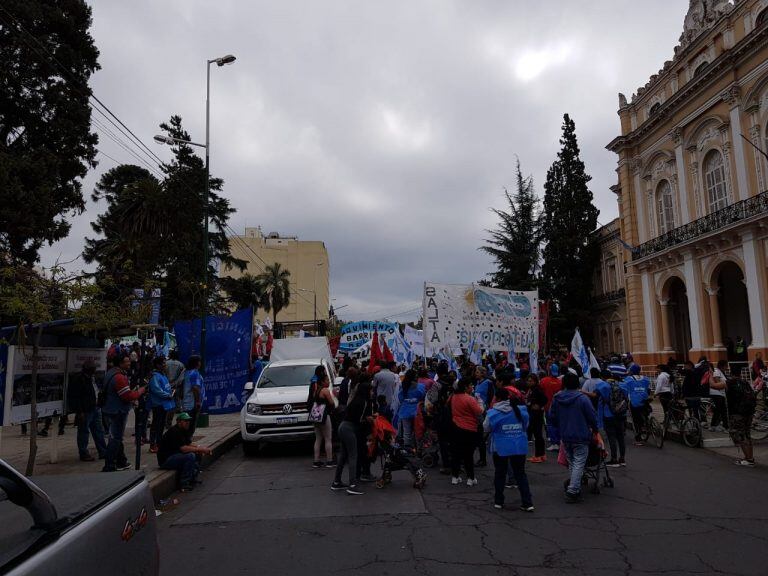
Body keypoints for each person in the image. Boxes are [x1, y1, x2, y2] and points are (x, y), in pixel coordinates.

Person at [550, 370, 598, 503]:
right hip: (581, 435)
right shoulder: (582, 398)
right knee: (578, 463)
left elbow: (552, 417)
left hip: (565, 435)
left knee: (572, 462)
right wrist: (595, 429)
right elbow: (592, 417)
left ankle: (574, 487)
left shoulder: (557, 398)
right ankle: (572, 491)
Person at [484, 387, 533, 511]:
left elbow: (486, 428)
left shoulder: (492, 413)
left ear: (497, 398)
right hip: (518, 445)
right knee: (520, 474)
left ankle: (498, 501)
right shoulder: (520, 410)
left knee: (500, 474)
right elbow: (526, 425)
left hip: (500, 447)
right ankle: (527, 503)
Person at [102, 355, 146, 472]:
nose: (129, 364)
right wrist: (140, 391)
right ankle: (109, 465)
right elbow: (128, 396)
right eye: (126, 362)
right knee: (115, 438)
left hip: (110, 409)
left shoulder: (110, 373)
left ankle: (121, 461)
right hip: (118, 411)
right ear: (120, 363)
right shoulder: (119, 377)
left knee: (116, 436)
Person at [331, 381, 373, 494]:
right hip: (349, 429)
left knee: (343, 456)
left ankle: (336, 481)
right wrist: (369, 419)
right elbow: (359, 420)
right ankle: (353, 484)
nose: (372, 392)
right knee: (353, 456)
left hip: (343, 427)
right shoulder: (363, 402)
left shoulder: (355, 399)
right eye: (371, 390)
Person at [157, 412, 212, 491]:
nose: (188, 423)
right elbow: (184, 448)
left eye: (188, 421)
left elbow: (189, 443)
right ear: (179, 422)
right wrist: (201, 449)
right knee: (190, 456)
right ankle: (184, 483)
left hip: (176, 455)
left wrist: (201, 448)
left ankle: (193, 478)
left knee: (197, 453)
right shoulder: (174, 431)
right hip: (166, 459)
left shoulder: (183, 430)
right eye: (185, 421)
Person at [67, 359, 107, 462]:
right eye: (92, 368)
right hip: (85, 410)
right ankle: (83, 453)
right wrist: (80, 411)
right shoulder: (79, 379)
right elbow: (75, 397)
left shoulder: (92, 378)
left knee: (98, 431)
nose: (94, 370)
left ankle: (103, 451)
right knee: (84, 432)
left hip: (95, 407)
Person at [714, 375, 757, 466]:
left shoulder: (730, 382)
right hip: (748, 412)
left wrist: (709, 375)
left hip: (737, 413)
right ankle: (749, 458)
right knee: (746, 434)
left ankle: (749, 460)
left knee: (741, 436)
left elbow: (714, 386)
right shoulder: (745, 382)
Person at [449, 379, 483, 486]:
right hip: (469, 429)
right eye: (470, 385)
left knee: (456, 453)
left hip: (456, 428)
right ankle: (470, 478)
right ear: (465, 387)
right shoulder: (470, 399)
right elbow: (479, 411)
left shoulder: (453, 397)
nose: (472, 387)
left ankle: (455, 476)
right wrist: (481, 403)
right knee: (468, 454)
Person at [597, 369, 629, 467]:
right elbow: (626, 398)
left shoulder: (602, 386)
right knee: (621, 438)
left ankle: (614, 459)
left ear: (602, 377)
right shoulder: (622, 385)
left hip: (608, 415)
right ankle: (622, 459)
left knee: (612, 438)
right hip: (621, 414)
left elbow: (600, 399)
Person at [148, 356, 175, 453]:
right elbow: (156, 389)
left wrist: (170, 392)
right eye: (163, 363)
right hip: (158, 404)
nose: (165, 365)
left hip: (164, 404)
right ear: (158, 365)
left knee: (161, 425)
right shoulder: (155, 376)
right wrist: (167, 395)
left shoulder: (162, 374)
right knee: (156, 424)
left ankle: (159, 443)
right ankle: (153, 444)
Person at [311, 371, 337, 468]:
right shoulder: (325, 390)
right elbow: (331, 403)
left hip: (316, 417)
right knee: (328, 438)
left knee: (318, 438)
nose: (328, 382)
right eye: (327, 380)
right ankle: (329, 461)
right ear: (322, 381)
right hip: (324, 416)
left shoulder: (316, 390)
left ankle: (316, 460)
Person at [397, 369, 426, 450]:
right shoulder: (420, 386)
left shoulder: (403, 386)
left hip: (405, 411)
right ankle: (419, 448)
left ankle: (407, 449)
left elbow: (400, 398)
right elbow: (423, 396)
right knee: (418, 431)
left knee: (407, 431)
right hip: (417, 412)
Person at [623, 364, 651, 445]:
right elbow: (648, 389)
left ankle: (638, 439)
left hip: (634, 402)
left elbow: (625, 390)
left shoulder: (628, 380)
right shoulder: (646, 379)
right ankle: (645, 424)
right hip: (645, 401)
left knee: (635, 420)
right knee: (645, 414)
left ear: (631, 371)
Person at [473, 366, 494, 467]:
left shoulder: (488, 383)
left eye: (477, 372)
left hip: (485, 411)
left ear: (482, 373)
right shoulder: (477, 383)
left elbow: (491, 397)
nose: (475, 373)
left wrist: (489, 409)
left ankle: (483, 459)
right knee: (479, 435)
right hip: (477, 411)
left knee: (481, 435)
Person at [181, 355, 206, 439]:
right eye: (200, 361)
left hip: (187, 402)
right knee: (190, 426)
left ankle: (187, 441)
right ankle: (188, 441)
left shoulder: (187, 372)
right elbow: (195, 388)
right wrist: (198, 401)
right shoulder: (194, 373)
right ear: (197, 363)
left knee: (187, 425)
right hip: (192, 403)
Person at [525, 373, 548, 463]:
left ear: (535, 381)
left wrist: (539, 405)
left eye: (531, 381)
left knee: (537, 434)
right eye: (528, 380)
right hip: (533, 413)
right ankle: (541, 454)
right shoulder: (532, 389)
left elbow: (545, 399)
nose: (528, 382)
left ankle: (538, 455)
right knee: (538, 435)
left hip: (536, 414)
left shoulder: (537, 390)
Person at [541, 364, 563, 451]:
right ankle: (559, 441)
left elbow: (541, 393)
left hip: (547, 406)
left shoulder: (543, 381)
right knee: (558, 424)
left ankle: (554, 443)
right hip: (559, 407)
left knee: (550, 424)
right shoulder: (560, 382)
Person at [710, 360, 729, 432]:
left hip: (721, 394)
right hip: (718, 394)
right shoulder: (716, 372)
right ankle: (722, 426)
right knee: (720, 410)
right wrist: (724, 386)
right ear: (722, 366)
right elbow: (718, 382)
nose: (726, 367)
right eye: (725, 366)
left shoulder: (720, 372)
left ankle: (717, 425)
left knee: (721, 410)